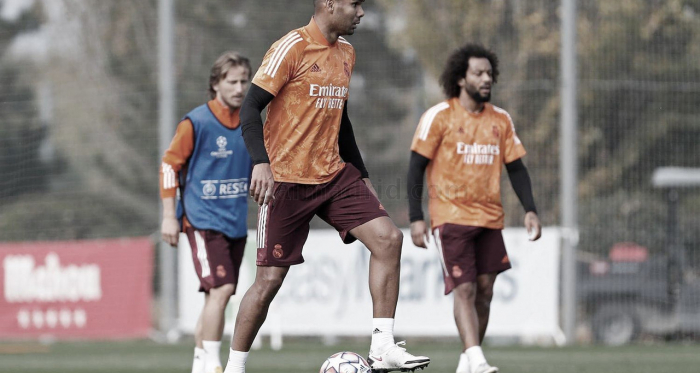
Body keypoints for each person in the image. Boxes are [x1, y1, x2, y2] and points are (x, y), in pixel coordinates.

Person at [223, 1, 430, 373]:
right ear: (330, 4)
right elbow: (250, 108)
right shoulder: (292, 47)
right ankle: (234, 368)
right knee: (269, 280)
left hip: (332, 174)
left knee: (388, 239)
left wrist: (361, 173)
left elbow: (341, 119)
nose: (361, 12)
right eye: (355, 4)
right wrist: (260, 162)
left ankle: (382, 346)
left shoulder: (347, 53)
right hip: (284, 180)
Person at [407, 43, 542, 373]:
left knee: (484, 292)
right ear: (460, 78)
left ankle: (467, 360)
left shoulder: (501, 120)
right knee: (464, 289)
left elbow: (517, 169)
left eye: (489, 74)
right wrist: (416, 217)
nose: (486, 79)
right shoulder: (439, 117)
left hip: (490, 220)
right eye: (478, 73)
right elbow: (415, 167)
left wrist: (530, 209)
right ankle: (478, 361)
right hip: (450, 219)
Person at [160, 52, 253, 373]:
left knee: (215, 297)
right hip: (201, 220)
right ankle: (213, 364)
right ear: (215, 84)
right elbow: (169, 167)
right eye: (232, 81)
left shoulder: (251, 122)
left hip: (235, 223)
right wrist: (169, 215)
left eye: (244, 81)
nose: (240, 88)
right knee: (223, 289)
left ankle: (200, 363)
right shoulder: (195, 122)